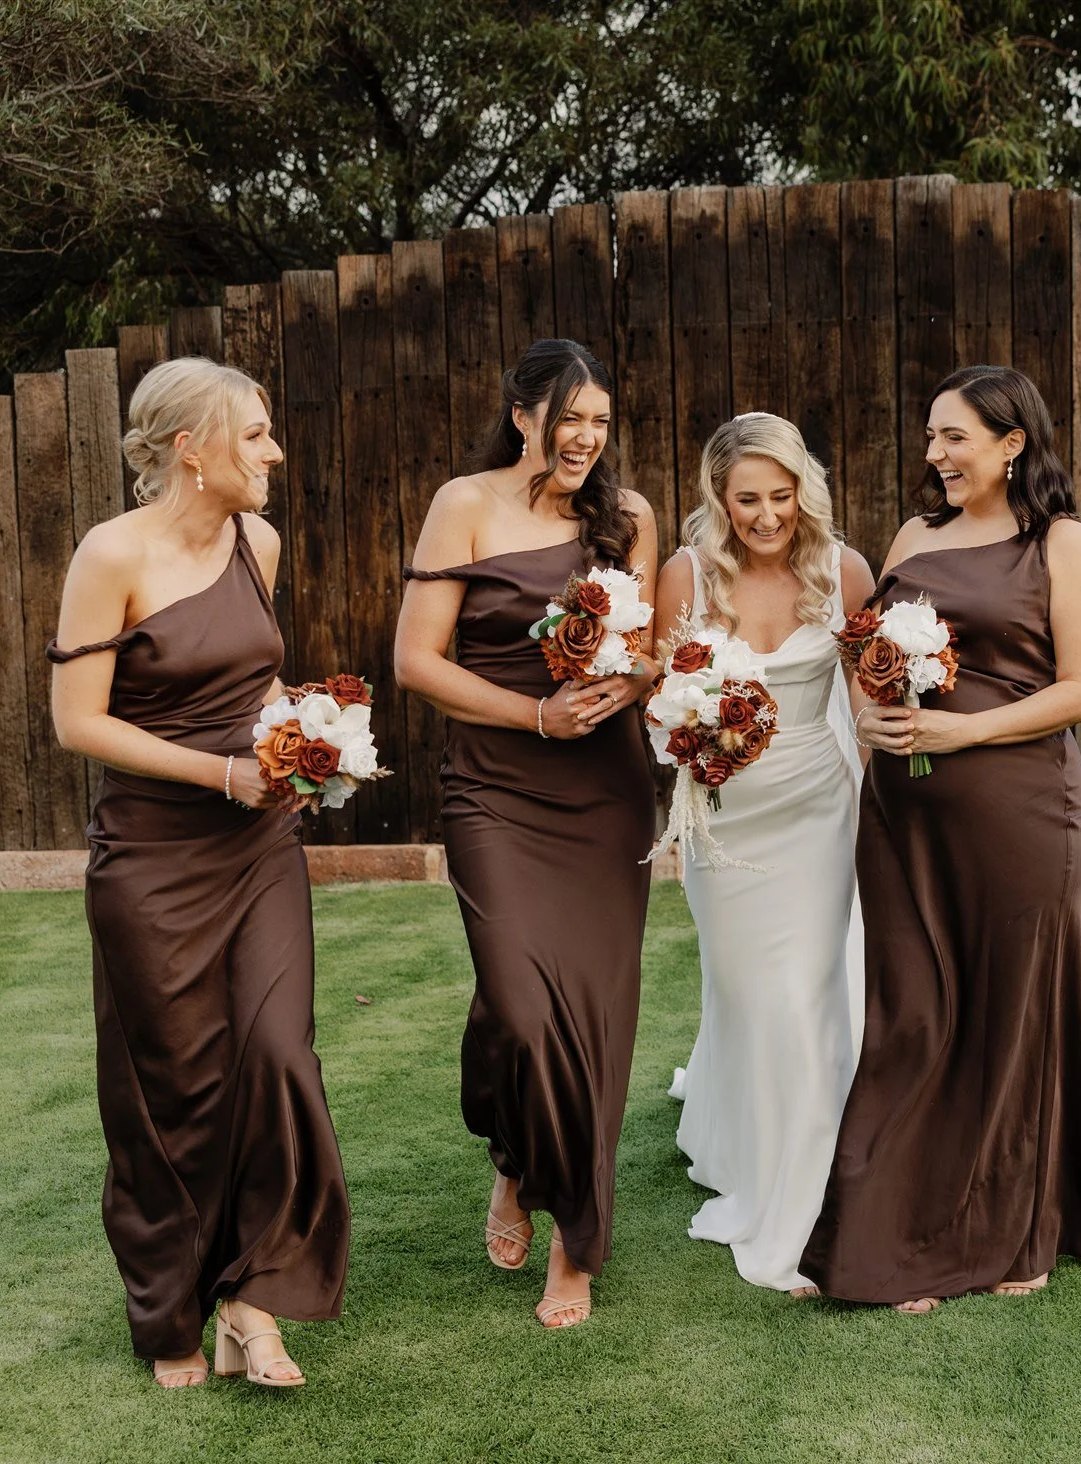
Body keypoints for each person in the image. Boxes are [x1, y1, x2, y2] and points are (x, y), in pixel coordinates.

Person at [48, 357, 349, 1390]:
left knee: (277, 1056)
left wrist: (300, 735)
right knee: (171, 1086)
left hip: (257, 845)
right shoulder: (111, 554)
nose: (272, 451)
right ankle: (174, 1311)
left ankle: (253, 1305)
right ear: (192, 449)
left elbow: (253, 672)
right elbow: (77, 721)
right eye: (255, 434)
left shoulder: (256, 541)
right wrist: (220, 773)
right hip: (153, 856)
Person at [801, 364, 1081, 1312]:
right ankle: (885, 1230)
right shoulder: (914, 536)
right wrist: (871, 717)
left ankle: (1011, 1230)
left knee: (1008, 1017)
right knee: (911, 1016)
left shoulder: (1062, 543)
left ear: (1012, 444)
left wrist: (963, 732)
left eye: (955, 438)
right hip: (903, 813)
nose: (934, 455)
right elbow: (866, 648)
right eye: (931, 436)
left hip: (1019, 812)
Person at [394, 338, 657, 1328]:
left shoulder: (627, 519)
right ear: (522, 414)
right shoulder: (463, 504)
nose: (586, 436)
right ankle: (512, 1150)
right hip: (496, 787)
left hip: (603, 791)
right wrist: (533, 714)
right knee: (517, 1004)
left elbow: (642, 657)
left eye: (599, 420)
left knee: (588, 1015)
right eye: (569, 417)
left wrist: (635, 676)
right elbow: (416, 661)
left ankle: (573, 1240)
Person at [656, 412, 869, 1297]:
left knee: (805, 997)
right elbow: (660, 703)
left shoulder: (843, 570)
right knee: (749, 994)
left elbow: (869, 699)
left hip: (821, 809)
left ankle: (805, 1200)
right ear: (719, 496)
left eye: (782, 496)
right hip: (727, 817)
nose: (768, 515)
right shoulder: (688, 574)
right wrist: (693, 747)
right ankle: (751, 1144)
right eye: (748, 499)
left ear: (803, 491)